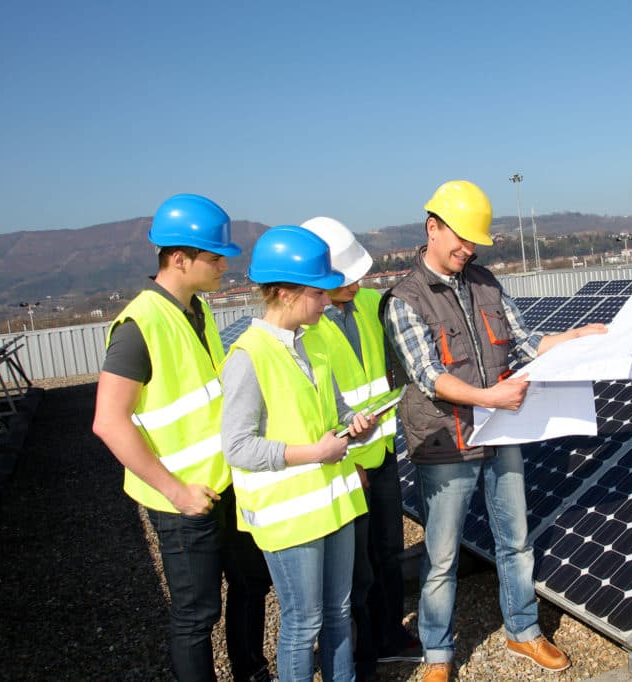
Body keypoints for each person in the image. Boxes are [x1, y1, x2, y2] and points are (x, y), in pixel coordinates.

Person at [381, 180, 607, 682]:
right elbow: (428, 376)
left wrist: (577, 337)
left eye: (475, 241)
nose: (468, 249)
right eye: (460, 238)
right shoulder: (404, 298)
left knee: (516, 540)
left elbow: (523, 343)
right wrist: (489, 398)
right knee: (441, 557)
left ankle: (522, 631)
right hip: (445, 442)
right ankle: (438, 655)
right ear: (432, 228)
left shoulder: (485, 282)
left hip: (500, 431)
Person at [92, 193, 272, 682]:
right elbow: (109, 421)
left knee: (252, 583)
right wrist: (176, 491)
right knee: (196, 617)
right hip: (183, 500)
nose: (223, 268)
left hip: (224, 485)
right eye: (215, 258)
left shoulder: (197, 311)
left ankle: (250, 672)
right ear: (179, 258)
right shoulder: (139, 325)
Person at [219, 225, 373, 682]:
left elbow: (336, 410)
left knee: (339, 612)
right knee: (303, 624)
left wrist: (357, 424)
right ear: (285, 292)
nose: (328, 301)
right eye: (317, 292)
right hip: (290, 519)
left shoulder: (314, 342)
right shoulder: (248, 357)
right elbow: (238, 446)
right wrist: (314, 452)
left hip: (334, 505)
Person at [299, 217, 423, 681]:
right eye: (345, 277)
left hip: (382, 451)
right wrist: (347, 459)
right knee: (355, 569)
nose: (357, 283)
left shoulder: (373, 303)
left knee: (389, 552)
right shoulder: (307, 325)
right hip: (343, 461)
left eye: (359, 274)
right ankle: (361, 654)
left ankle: (390, 635)